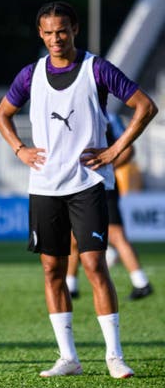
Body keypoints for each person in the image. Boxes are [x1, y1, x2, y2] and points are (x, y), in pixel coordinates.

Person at [0, 1, 158, 379]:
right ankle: (68, 357)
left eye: (62, 31)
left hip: (89, 184)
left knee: (94, 264)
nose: (56, 39)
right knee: (52, 268)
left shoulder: (95, 68)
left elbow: (144, 106)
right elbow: (3, 114)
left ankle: (114, 356)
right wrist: (20, 148)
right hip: (45, 186)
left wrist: (115, 150)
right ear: (40, 33)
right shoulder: (30, 74)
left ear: (75, 30)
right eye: (49, 32)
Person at [66, 115, 154, 301]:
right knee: (73, 236)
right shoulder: (74, 110)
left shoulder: (109, 117)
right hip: (78, 184)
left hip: (102, 185)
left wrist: (105, 167)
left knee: (115, 234)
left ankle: (141, 282)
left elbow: (128, 150)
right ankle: (70, 285)